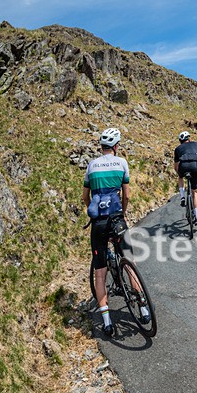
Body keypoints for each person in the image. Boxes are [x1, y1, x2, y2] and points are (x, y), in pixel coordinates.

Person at [83, 127, 145, 336]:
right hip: (117, 219)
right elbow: (126, 195)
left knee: (100, 273)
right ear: (116, 146)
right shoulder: (121, 163)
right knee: (130, 262)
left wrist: (93, 212)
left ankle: (107, 321)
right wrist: (123, 213)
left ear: (102, 147)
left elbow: (85, 196)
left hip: (99, 223)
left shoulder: (92, 165)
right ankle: (144, 309)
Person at [174, 131, 197, 225]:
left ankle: (182, 196)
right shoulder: (196, 144)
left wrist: (179, 173)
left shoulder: (178, 148)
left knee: (180, 177)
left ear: (180, 141)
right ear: (189, 139)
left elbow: (176, 166)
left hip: (183, 166)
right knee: (195, 192)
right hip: (194, 166)